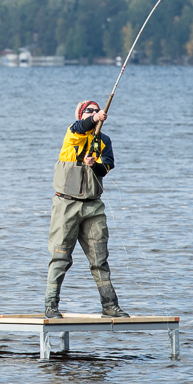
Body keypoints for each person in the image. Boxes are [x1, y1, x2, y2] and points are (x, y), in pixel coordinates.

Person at [44, 99, 129, 319]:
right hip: (66, 205)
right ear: (81, 115)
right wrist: (94, 119)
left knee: (100, 259)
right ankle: (51, 306)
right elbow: (80, 128)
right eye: (90, 111)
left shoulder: (104, 141)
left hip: (93, 206)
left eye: (97, 110)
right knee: (60, 257)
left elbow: (107, 166)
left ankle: (110, 305)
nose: (95, 112)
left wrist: (95, 165)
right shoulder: (73, 133)